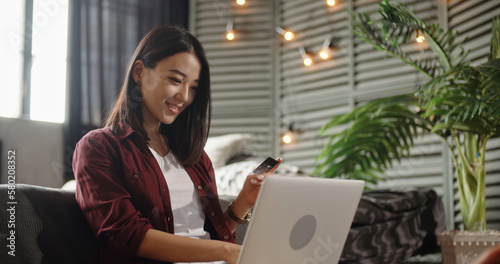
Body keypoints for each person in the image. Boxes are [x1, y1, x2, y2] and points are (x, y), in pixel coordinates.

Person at [72, 25, 281, 264]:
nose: (184, 97)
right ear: (139, 72)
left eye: (193, 87)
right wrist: (228, 252)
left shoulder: (195, 158)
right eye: (175, 80)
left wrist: (244, 201)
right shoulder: (99, 147)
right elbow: (125, 235)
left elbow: (207, 237)